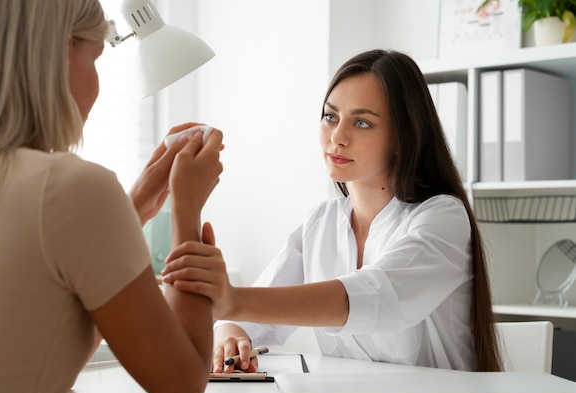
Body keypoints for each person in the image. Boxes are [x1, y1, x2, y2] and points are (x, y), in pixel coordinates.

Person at [0, 1, 223, 393]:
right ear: (62, 51)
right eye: (95, 58)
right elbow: (184, 385)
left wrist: (136, 208)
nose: (96, 86)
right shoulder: (70, 190)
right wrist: (187, 210)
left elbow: (43, 344)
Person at [162, 49, 503, 373]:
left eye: (362, 123)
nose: (336, 137)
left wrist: (232, 300)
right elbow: (248, 316)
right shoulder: (321, 223)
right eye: (330, 116)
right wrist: (231, 335)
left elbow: (376, 296)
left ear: (403, 136)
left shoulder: (443, 217)